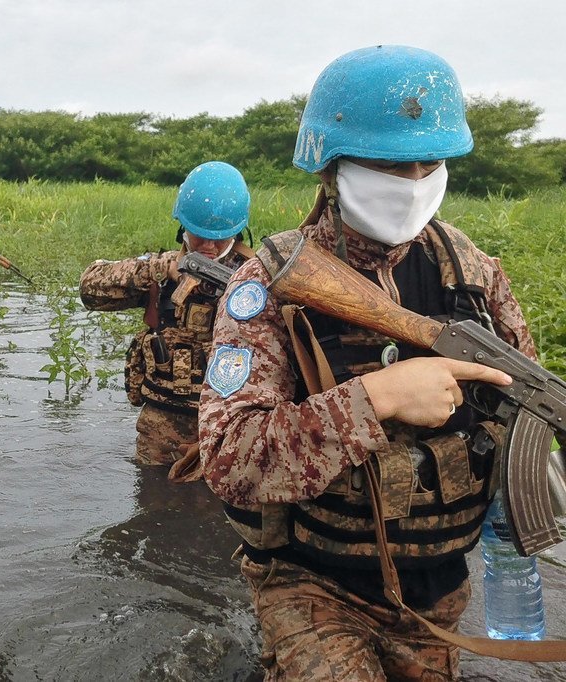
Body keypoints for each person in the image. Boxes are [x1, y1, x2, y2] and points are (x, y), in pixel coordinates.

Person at [199, 45, 537, 680]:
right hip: (313, 580)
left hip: (437, 588)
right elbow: (229, 460)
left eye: (427, 162)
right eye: (386, 164)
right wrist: (377, 399)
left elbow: (522, 407)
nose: (411, 182)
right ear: (330, 166)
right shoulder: (270, 285)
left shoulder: (474, 274)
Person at [80, 161, 253, 471]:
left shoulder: (255, 279)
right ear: (183, 226)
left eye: (220, 237)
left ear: (237, 231)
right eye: (199, 235)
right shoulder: (161, 271)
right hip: (160, 436)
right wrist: (157, 270)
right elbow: (90, 289)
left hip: (228, 434)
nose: (209, 246)